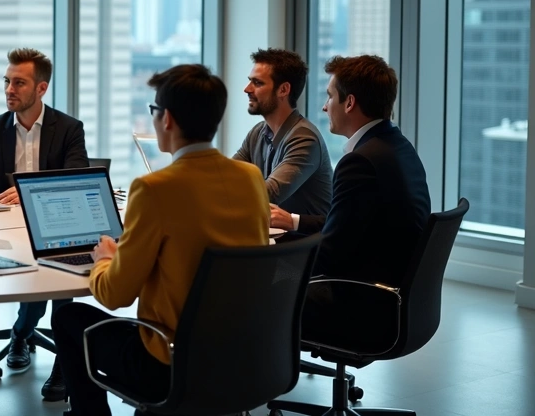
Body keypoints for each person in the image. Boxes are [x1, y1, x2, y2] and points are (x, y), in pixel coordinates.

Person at [50, 64, 269, 416]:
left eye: (154, 111)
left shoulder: (154, 189)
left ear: (166, 119)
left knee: (68, 319)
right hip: (240, 356)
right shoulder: (250, 177)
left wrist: (106, 258)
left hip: (169, 363)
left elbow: (115, 295)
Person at [0, 48, 89, 402]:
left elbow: (76, 180)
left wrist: (30, 193)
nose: (9, 89)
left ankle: (62, 360)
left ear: (41, 89)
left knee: (64, 267)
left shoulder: (69, 128)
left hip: (50, 225)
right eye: (7, 81)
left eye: (19, 82)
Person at [301, 55, 431, 352]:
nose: (324, 106)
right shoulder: (398, 147)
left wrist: (277, 265)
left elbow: (330, 256)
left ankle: (255, 382)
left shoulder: (360, 161)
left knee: (262, 287)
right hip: (395, 297)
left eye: (330, 96)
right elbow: (351, 223)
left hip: (363, 304)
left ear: (349, 103)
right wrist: (296, 223)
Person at [232, 48, 332, 234]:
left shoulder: (304, 138)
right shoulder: (258, 132)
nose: (247, 89)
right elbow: (227, 175)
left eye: (257, 83)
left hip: (303, 252)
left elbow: (268, 193)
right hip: (277, 244)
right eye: (249, 81)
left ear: (284, 90)